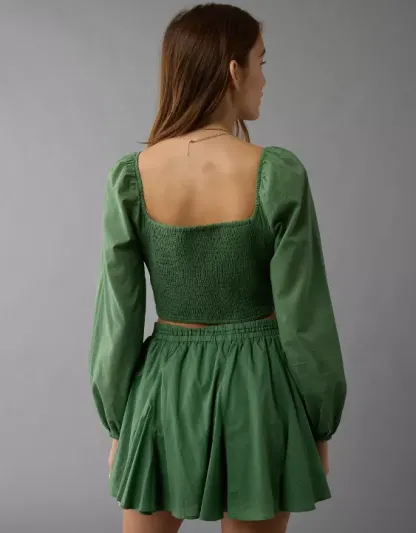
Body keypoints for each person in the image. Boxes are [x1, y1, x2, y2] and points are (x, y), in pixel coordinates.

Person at [88, 4, 347, 533]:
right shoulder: (277, 174)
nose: (264, 80)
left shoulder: (130, 178)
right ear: (234, 70)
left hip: (163, 387)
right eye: (261, 62)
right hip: (260, 387)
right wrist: (319, 424)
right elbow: (305, 316)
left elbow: (117, 318)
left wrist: (119, 420)